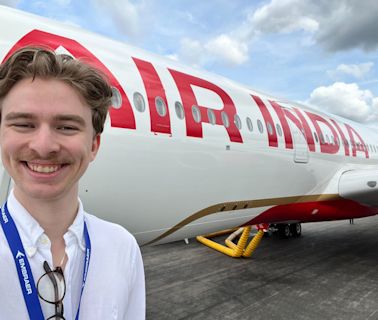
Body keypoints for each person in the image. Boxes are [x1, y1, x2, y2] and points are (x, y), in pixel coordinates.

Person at [0, 46, 145, 319]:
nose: (43, 146)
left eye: (66, 127)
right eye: (23, 124)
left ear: (94, 145)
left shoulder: (122, 248)